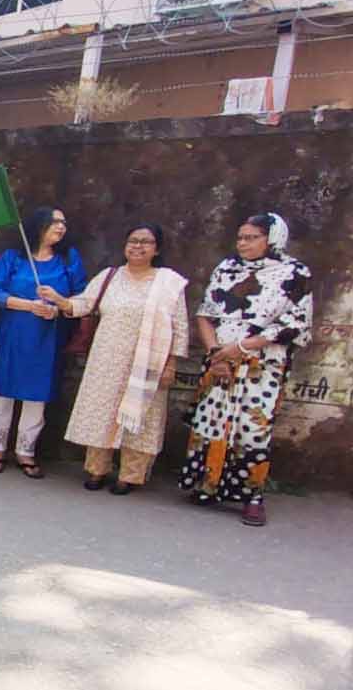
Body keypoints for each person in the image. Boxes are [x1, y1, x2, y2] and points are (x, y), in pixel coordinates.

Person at [178, 213, 312, 527]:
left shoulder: (294, 272)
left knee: (253, 428)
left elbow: (296, 323)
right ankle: (208, 485)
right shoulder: (227, 268)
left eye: (251, 237)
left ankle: (252, 496)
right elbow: (206, 314)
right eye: (240, 237)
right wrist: (216, 354)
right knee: (211, 421)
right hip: (220, 359)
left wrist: (242, 347)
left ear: (272, 239)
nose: (243, 243)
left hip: (261, 365)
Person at [40, 223, 189, 494]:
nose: (138, 246)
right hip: (107, 358)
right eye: (133, 240)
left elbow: (179, 326)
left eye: (145, 241)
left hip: (148, 362)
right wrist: (59, 300)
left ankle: (130, 476)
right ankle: (97, 469)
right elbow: (84, 304)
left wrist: (171, 365)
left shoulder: (168, 283)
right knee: (102, 413)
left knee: (142, 418)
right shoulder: (110, 276)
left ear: (157, 249)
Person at [0, 206, 86, 479]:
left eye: (64, 222)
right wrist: (29, 305)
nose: (61, 226)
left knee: (36, 395)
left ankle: (25, 450)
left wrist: (58, 306)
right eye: (54, 221)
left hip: (47, 337)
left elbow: (82, 298)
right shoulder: (14, 257)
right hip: (12, 334)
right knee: (2, 392)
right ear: (39, 225)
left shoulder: (68, 259)